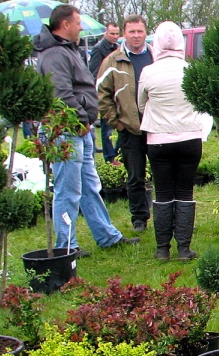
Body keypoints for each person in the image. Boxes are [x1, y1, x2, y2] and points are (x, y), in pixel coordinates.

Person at [33, 4, 139, 255]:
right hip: (66, 131)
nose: (81, 27)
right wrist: (80, 121)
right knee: (67, 191)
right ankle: (65, 246)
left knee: (89, 187)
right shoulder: (54, 55)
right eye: (78, 22)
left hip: (79, 130)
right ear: (65, 24)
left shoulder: (66, 50)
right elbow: (61, 95)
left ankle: (107, 236)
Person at [138, 21, 202, 262]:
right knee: (185, 191)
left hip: (158, 140)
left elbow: (141, 105)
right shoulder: (190, 70)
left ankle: (162, 248)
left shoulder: (148, 72)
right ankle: (184, 249)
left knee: (163, 192)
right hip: (189, 138)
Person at [98, 14, 152, 233]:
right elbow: (102, 94)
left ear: (146, 32)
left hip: (157, 128)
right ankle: (139, 218)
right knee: (134, 176)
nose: (136, 36)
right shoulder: (112, 61)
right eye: (132, 31)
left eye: (140, 31)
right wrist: (116, 122)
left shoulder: (155, 57)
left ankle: (168, 216)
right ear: (124, 33)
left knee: (163, 174)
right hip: (129, 129)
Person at [88, 22, 120, 164]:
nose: (114, 36)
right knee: (107, 127)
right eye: (112, 33)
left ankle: (118, 154)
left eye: (117, 34)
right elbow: (94, 73)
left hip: (118, 93)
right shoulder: (99, 49)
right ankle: (109, 156)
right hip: (106, 94)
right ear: (105, 33)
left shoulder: (118, 48)